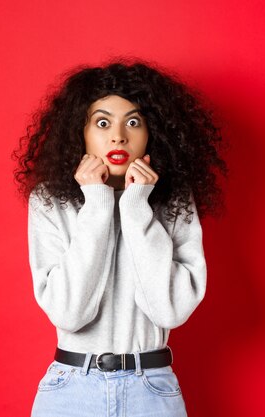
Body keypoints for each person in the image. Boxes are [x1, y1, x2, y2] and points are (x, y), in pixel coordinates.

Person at [13, 59, 227, 417]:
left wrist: (136, 206)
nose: (118, 136)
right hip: (71, 391)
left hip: (152, 390)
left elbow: (170, 310)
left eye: (133, 121)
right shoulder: (51, 201)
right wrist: (97, 204)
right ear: (80, 133)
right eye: (102, 122)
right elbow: (69, 313)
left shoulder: (172, 201)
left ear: (151, 132)